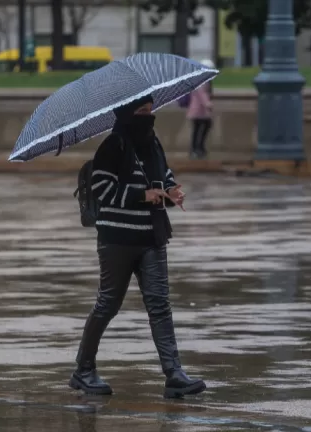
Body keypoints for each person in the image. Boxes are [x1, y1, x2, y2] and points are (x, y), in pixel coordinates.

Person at [69, 94, 206, 399]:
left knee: (160, 305)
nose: (148, 116)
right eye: (141, 111)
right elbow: (103, 189)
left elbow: (163, 174)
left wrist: (170, 191)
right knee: (108, 304)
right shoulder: (112, 146)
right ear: (127, 113)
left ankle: (174, 374)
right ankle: (83, 370)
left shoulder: (153, 144)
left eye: (150, 110)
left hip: (152, 236)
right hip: (117, 239)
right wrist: (143, 196)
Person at [187, 59, 215, 159]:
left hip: (201, 110)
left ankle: (198, 148)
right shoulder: (201, 79)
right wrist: (208, 104)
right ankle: (196, 149)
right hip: (198, 109)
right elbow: (202, 94)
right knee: (199, 128)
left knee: (200, 128)